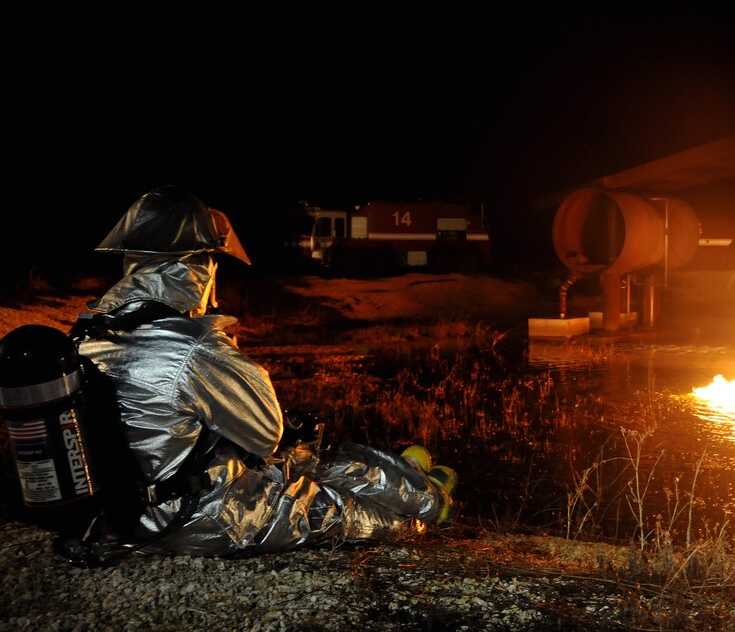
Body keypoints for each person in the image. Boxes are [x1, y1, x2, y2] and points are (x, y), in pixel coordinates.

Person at [67, 185, 455, 560]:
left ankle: (412, 480)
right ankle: (426, 502)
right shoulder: (194, 347)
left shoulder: (89, 334)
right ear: (199, 266)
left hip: (120, 516)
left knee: (303, 458)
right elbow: (267, 436)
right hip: (198, 518)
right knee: (358, 513)